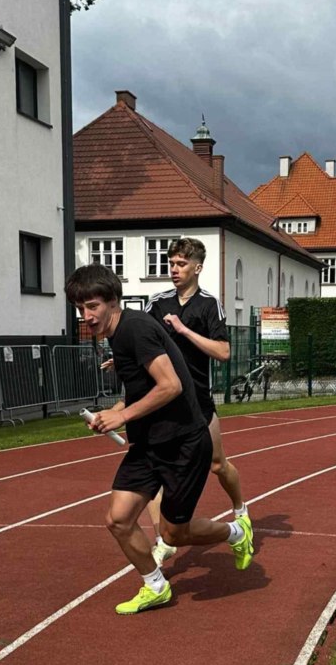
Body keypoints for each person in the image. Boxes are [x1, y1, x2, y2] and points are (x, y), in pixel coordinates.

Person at [66, 263, 254, 614]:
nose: (86, 317)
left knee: (173, 534)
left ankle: (236, 533)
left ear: (112, 301)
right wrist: (113, 412)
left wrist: (122, 416)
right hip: (150, 444)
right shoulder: (118, 333)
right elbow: (143, 389)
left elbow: (171, 385)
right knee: (119, 520)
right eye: (80, 309)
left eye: (92, 306)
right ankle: (155, 586)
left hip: (183, 444)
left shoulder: (134, 329)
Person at [143, 237, 249, 564]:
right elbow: (142, 340)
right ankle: (164, 539)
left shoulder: (208, 304)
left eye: (181, 264)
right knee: (154, 473)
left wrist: (184, 330)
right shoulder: (157, 302)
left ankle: (241, 511)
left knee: (217, 464)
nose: (174, 269)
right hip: (164, 400)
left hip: (198, 400)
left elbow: (224, 352)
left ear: (197, 268)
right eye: (171, 263)